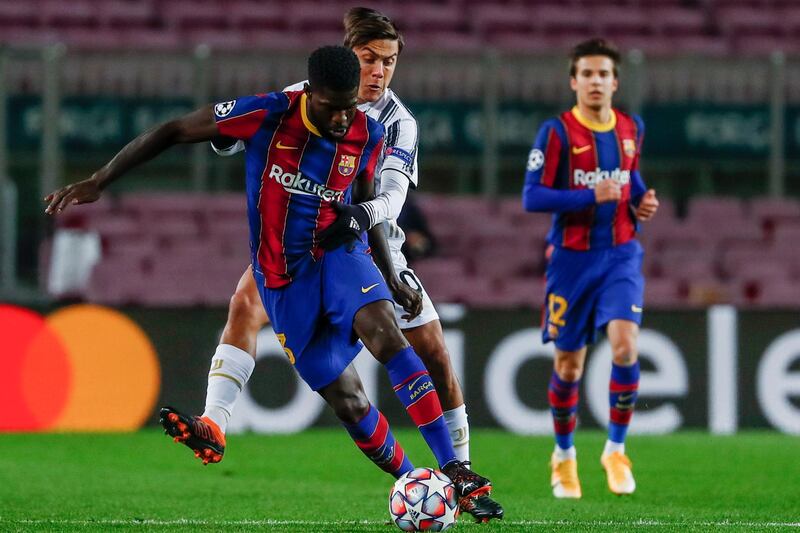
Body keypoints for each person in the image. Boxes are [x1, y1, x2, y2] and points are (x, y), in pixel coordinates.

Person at [45, 45, 502, 519]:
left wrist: (391, 273)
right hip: (283, 279)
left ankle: (454, 469)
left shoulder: (368, 133)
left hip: (341, 254)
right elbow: (176, 129)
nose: (345, 118)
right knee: (347, 400)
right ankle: (412, 480)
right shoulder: (268, 113)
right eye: (333, 107)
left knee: (385, 331)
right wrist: (101, 178)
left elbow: (368, 210)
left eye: (350, 106)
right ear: (310, 95)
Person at [192, 8, 499, 521]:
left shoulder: (400, 122)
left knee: (434, 355)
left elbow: (392, 199)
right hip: (304, 243)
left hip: (376, 243)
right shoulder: (307, 91)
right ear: (347, 58)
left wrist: (360, 217)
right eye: (369, 59)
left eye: (390, 61)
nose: (379, 71)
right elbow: (244, 132)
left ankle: (460, 473)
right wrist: (226, 137)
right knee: (245, 302)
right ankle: (215, 420)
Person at [522, 38, 659, 499]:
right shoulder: (557, 133)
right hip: (571, 261)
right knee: (569, 364)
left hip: (621, 253)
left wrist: (642, 199)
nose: (596, 81)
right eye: (588, 74)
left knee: (625, 345)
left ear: (615, 82)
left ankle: (616, 450)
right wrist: (588, 196)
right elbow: (532, 196)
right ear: (574, 81)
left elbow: (630, 175)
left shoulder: (630, 127)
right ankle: (563, 457)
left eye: (604, 74)